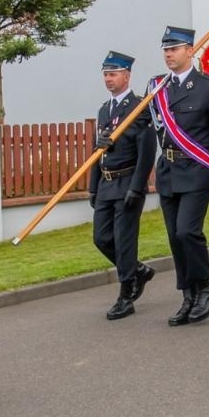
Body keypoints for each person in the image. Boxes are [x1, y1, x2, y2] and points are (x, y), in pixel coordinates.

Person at [152, 26, 209, 325]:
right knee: (175, 237)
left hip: (197, 169)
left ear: (190, 50)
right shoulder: (158, 88)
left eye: (174, 49)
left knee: (188, 231)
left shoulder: (208, 86)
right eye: (165, 50)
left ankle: (206, 287)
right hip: (168, 171)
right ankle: (188, 294)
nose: (168, 54)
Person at [88, 51, 156, 321]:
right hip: (106, 183)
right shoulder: (104, 109)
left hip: (128, 180)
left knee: (124, 241)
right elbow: (98, 151)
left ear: (126, 76)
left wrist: (137, 188)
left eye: (113, 74)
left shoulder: (139, 107)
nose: (108, 79)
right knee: (101, 238)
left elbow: (146, 151)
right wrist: (93, 187)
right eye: (105, 74)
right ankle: (137, 271)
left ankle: (126, 294)